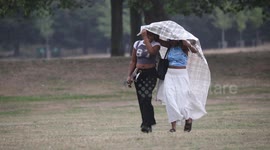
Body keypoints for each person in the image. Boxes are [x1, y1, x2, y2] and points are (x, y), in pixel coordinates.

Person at [157, 39, 207, 132]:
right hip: (169, 74)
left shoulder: (184, 46)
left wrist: (188, 44)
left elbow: (195, 51)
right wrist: (149, 34)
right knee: (169, 98)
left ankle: (188, 118)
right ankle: (173, 127)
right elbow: (159, 41)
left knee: (182, 102)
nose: (171, 41)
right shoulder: (170, 46)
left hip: (181, 75)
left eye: (173, 39)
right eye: (170, 39)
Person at [126, 29, 160, 133]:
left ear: (154, 36)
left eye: (150, 34)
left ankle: (147, 123)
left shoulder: (156, 44)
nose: (148, 36)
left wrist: (146, 39)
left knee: (146, 97)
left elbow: (151, 52)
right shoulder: (137, 44)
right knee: (142, 99)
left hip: (150, 74)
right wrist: (130, 75)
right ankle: (148, 122)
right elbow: (133, 61)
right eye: (146, 34)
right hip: (139, 74)